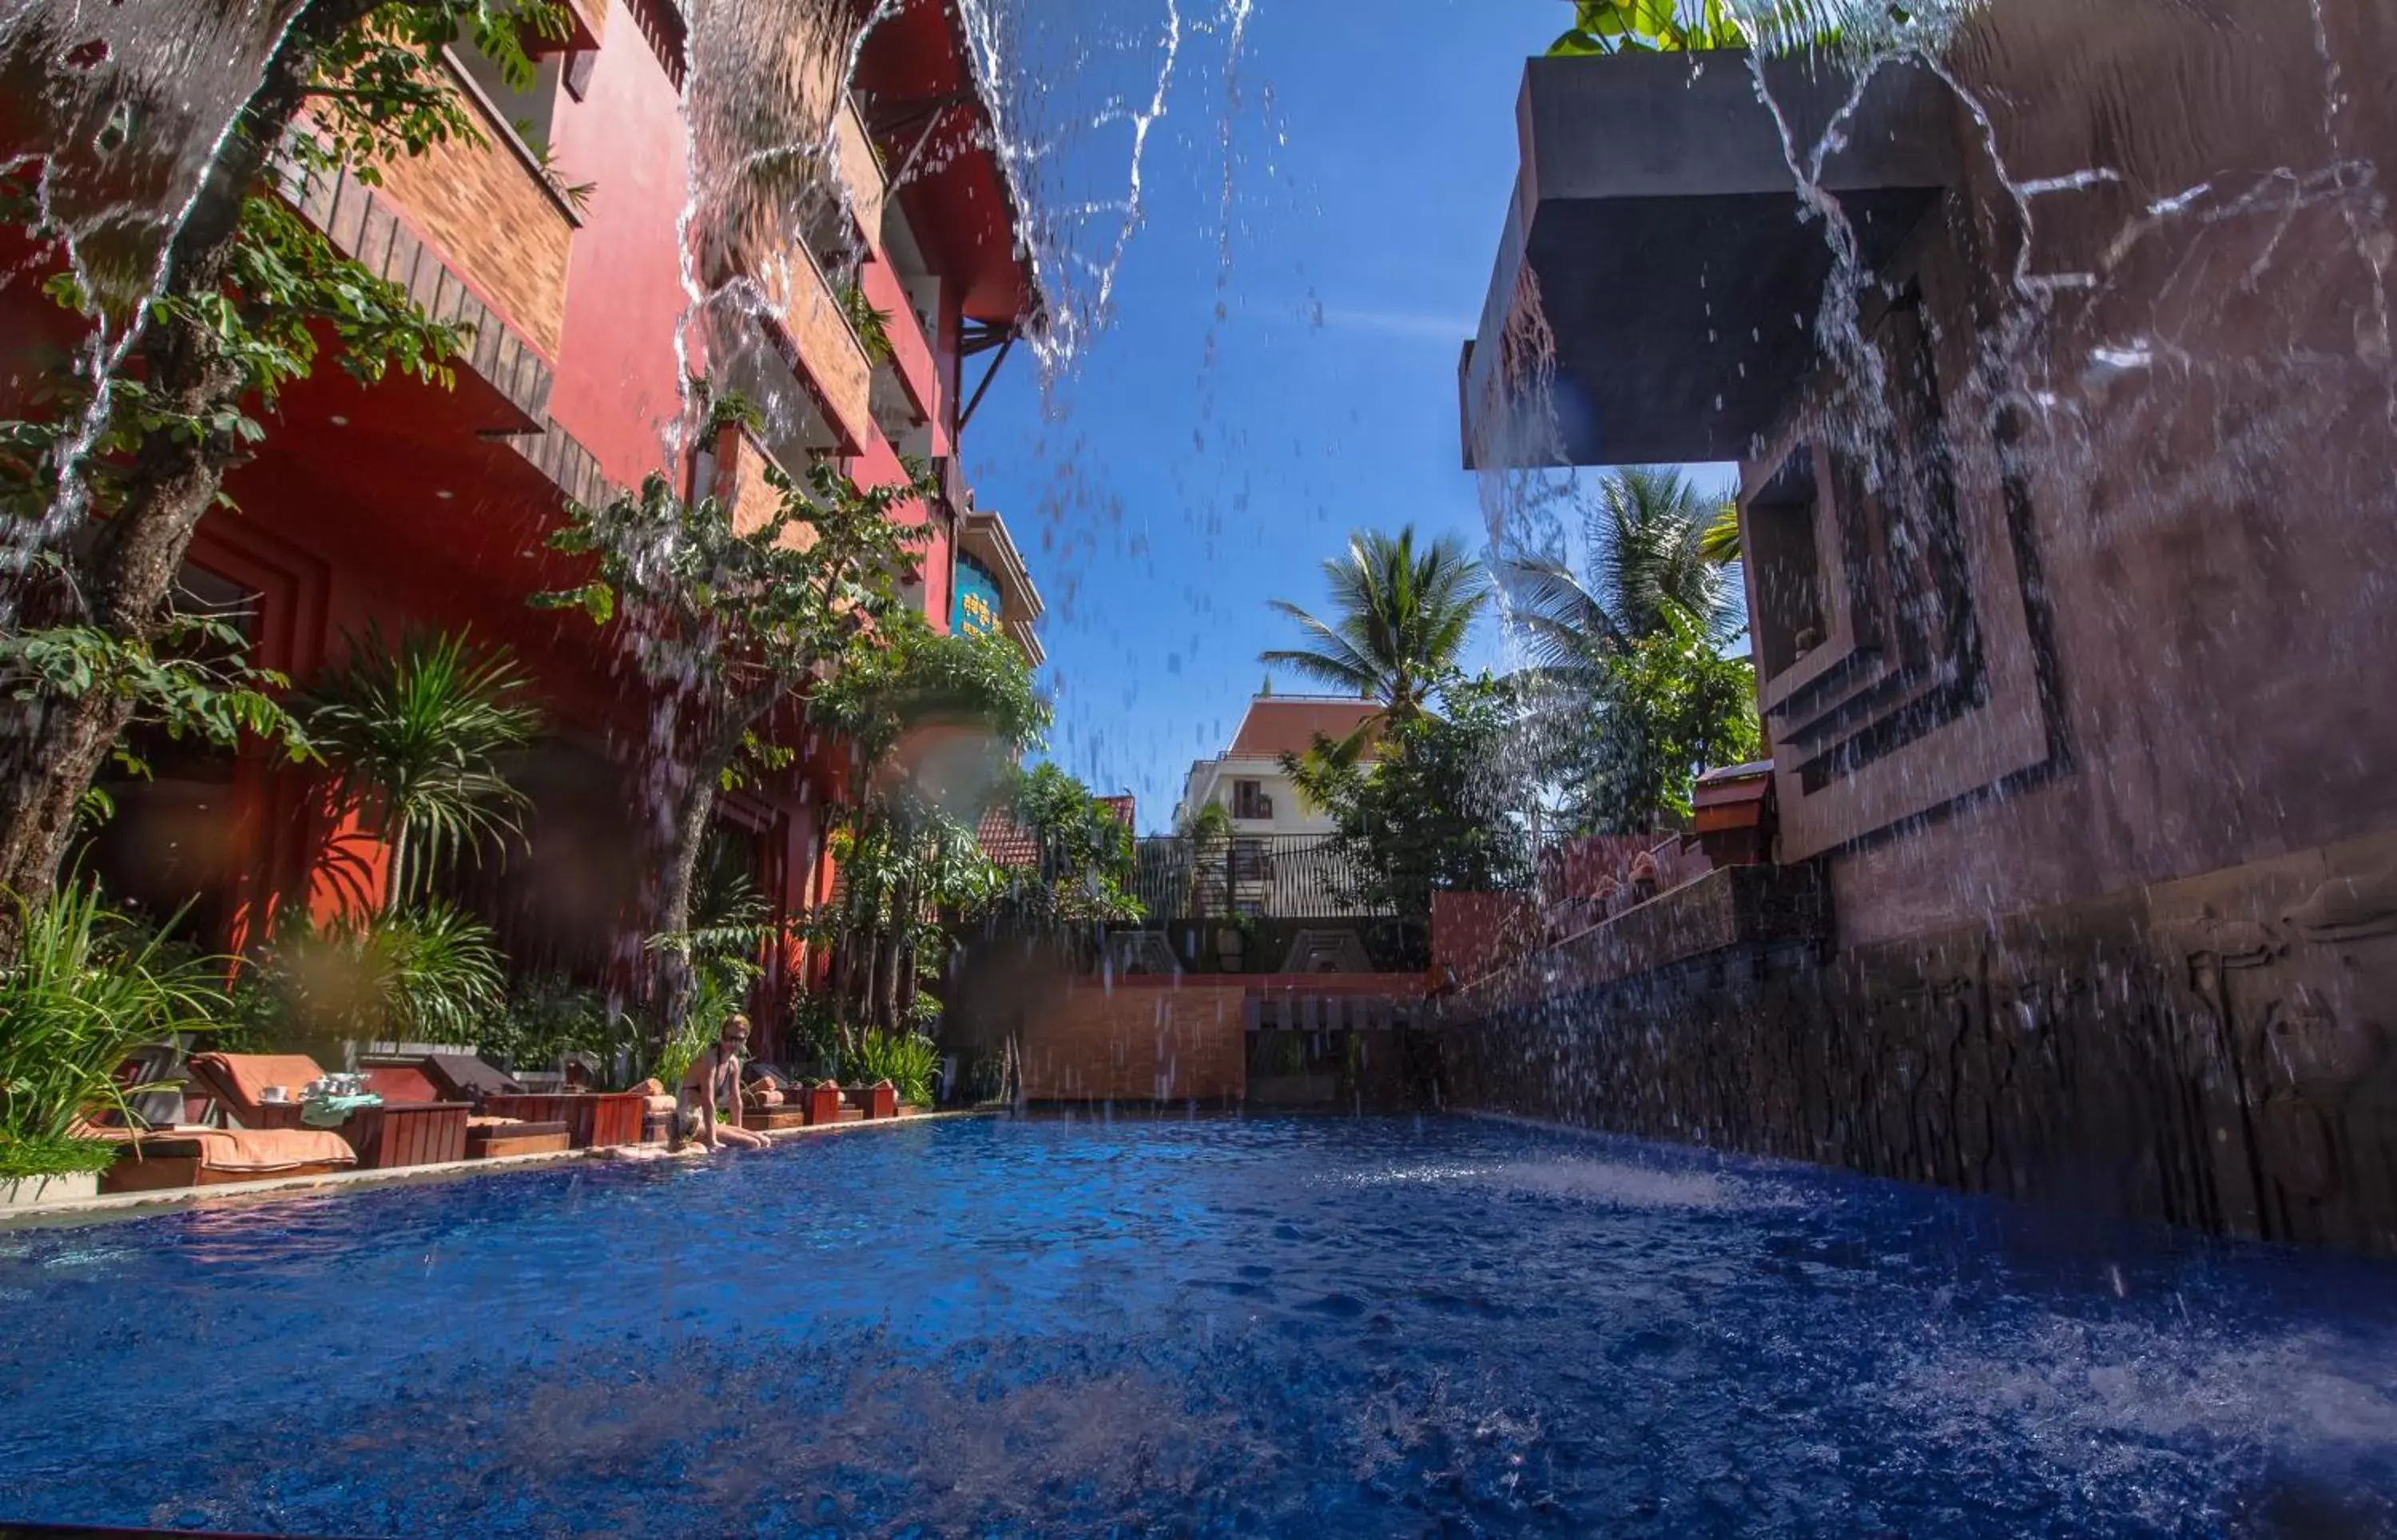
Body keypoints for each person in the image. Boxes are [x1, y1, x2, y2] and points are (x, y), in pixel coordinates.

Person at [675, 1014, 770, 1152]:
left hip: (708, 1121)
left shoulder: (733, 1063)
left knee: (764, 1141)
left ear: (745, 1039)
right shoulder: (709, 1060)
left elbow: (735, 1100)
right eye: (728, 1038)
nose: (732, 1043)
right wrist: (712, 1139)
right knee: (752, 1144)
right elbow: (707, 1100)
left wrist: (738, 1129)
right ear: (721, 1035)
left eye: (737, 1039)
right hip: (689, 1120)